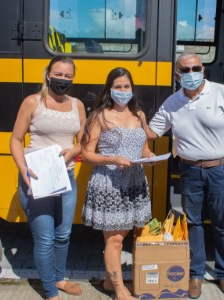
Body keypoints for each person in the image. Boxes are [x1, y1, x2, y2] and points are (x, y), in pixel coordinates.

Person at [145, 52, 224, 299]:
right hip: (190, 170)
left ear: (203, 69)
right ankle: (195, 274)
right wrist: (131, 116)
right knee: (193, 223)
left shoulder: (221, 93)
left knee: (223, 223)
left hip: (222, 170)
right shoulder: (172, 102)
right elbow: (152, 132)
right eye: (185, 70)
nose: (191, 73)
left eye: (195, 68)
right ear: (177, 75)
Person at [10, 56, 86, 300]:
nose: (62, 79)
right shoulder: (32, 102)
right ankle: (51, 291)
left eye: (68, 76)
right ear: (48, 74)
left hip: (66, 178)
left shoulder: (78, 105)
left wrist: (75, 151)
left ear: (73, 78)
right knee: (45, 239)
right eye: (58, 74)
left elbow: (85, 140)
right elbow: (15, 139)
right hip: (38, 178)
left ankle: (60, 278)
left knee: (63, 235)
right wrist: (23, 168)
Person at [81, 67, 153, 300]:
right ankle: (120, 290)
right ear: (109, 90)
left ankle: (110, 282)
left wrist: (149, 155)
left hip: (134, 182)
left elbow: (143, 147)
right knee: (115, 240)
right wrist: (112, 159)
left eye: (126, 86)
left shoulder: (139, 114)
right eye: (118, 87)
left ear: (132, 88)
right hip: (110, 182)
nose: (123, 91)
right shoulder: (100, 116)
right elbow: (87, 154)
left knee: (124, 236)